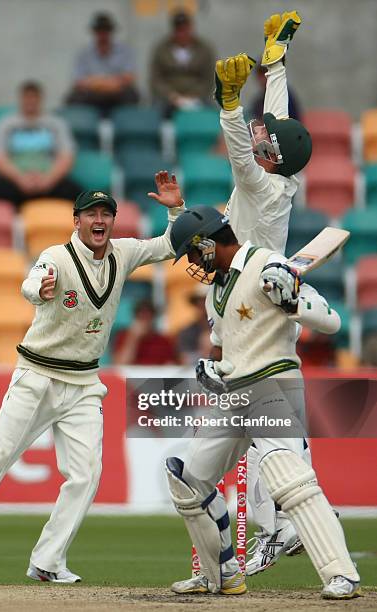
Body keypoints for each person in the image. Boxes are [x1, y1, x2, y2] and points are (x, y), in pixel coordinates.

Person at [0, 173, 185, 581]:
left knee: (87, 474)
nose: (99, 221)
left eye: (106, 214)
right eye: (91, 214)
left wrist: (174, 210)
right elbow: (33, 279)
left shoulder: (124, 252)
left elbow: (169, 245)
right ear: (76, 220)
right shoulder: (56, 257)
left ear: (112, 221)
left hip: (83, 384)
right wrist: (38, 290)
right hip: (37, 375)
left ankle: (47, 561)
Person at [172, 12, 315, 590]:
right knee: (254, 436)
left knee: (251, 437)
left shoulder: (260, 182)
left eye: (265, 141)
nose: (260, 132)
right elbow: (276, 125)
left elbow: (241, 147)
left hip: (248, 323)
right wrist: (274, 61)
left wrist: (227, 103)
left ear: (272, 158)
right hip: (246, 313)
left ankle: (281, 523)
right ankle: (264, 535)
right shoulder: (278, 175)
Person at [166, 205, 361, 600]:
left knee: (287, 477)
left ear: (207, 243)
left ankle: (342, 575)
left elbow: (331, 321)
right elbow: (227, 350)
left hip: (273, 384)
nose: (191, 261)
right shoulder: (214, 293)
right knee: (188, 479)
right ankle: (219, 575)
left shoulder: (268, 263)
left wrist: (292, 302)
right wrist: (213, 371)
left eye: (191, 252)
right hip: (234, 392)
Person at [0, 81, 82, 207]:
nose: (30, 101)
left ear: (40, 99)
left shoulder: (56, 123)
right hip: (16, 180)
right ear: (21, 99)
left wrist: (48, 180)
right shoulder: (6, 123)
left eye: (34, 97)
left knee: (74, 193)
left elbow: (66, 156)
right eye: (27, 97)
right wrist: (20, 179)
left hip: (49, 179)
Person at [66, 12, 139, 116]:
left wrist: (98, 82)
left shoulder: (125, 50)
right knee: (73, 97)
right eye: (99, 31)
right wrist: (107, 83)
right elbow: (79, 81)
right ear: (94, 32)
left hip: (116, 93)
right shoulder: (83, 53)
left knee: (132, 95)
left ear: (111, 32)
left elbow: (129, 77)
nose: (103, 34)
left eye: (106, 30)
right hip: (92, 94)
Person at [149, 10, 214, 117]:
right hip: (168, 98)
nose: (182, 33)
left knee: (212, 115)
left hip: (198, 97)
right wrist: (171, 96)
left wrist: (193, 96)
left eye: (185, 29)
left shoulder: (204, 49)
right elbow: (156, 79)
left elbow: (209, 78)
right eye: (179, 30)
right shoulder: (161, 49)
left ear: (191, 28)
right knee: (155, 113)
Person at [113, 298, 178, 365]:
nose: (145, 321)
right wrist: (133, 338)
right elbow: (121, 363)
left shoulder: (163, 341)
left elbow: (171, 364)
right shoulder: (123, 336)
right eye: (141, 317)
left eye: (148, 316)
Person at [176, 285, 212, 365]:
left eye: (207, 301)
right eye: (200, 302)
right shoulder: (186, 332)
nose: (204, 306)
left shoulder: (224, 329)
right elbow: (184, 359)